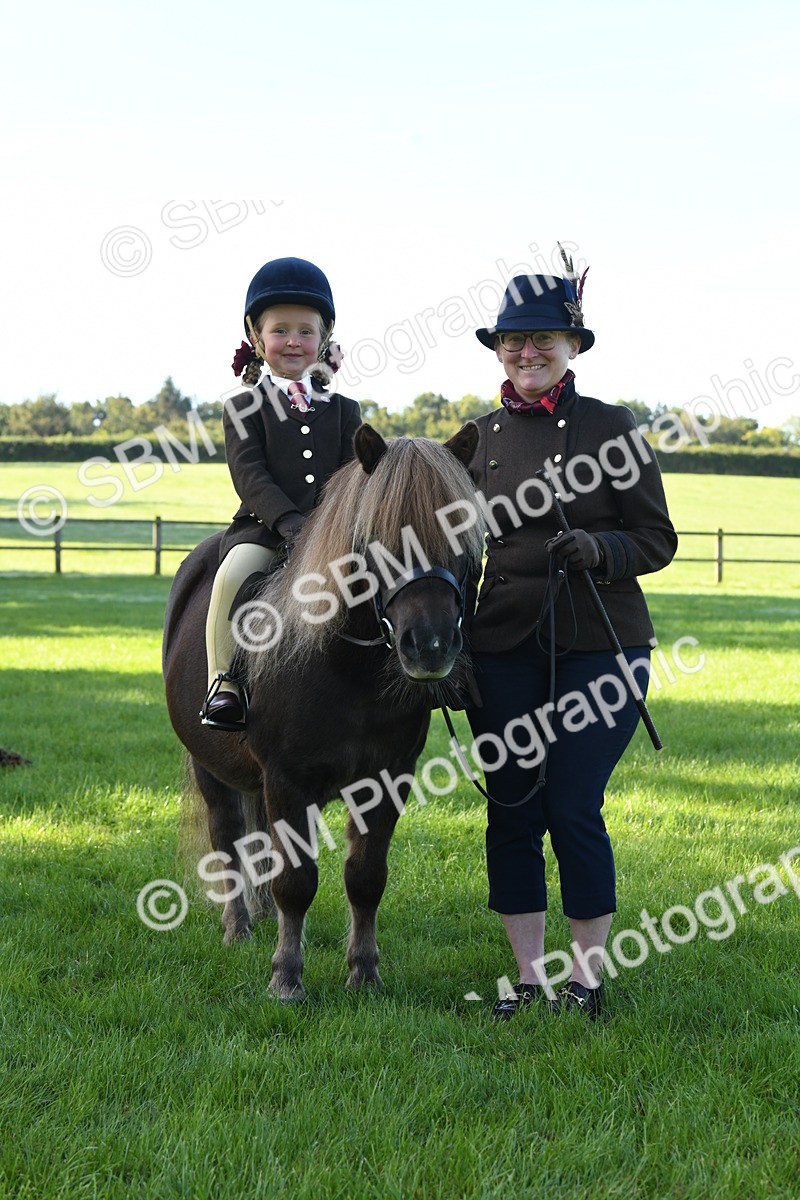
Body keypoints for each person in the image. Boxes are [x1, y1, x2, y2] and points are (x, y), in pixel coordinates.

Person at [465, 252, 677, 1019]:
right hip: (502, 646)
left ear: (573, 344)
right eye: (513, 341)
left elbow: (657, 539)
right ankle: (528, 977)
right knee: (513, 807)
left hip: (601, 644)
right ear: (498, 349)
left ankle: (586, 980)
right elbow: (452, 550)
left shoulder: (611, 427)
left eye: (543, 339)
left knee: (572, 805)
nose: (527, 353)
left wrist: (603, 548)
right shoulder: (477, 437)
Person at [201, 256, 362, 731]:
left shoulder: (345, 408)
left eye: (306, 331)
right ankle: (224, 683)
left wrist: (329, 525)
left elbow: (352, 472)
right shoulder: (243, 405)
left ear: (323, 340)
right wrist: (290, 523)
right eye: (280, 331)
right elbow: (250, 474)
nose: (293, 341)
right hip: (265, 529)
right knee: (233, 575)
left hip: (334, 531)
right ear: (257, 338)